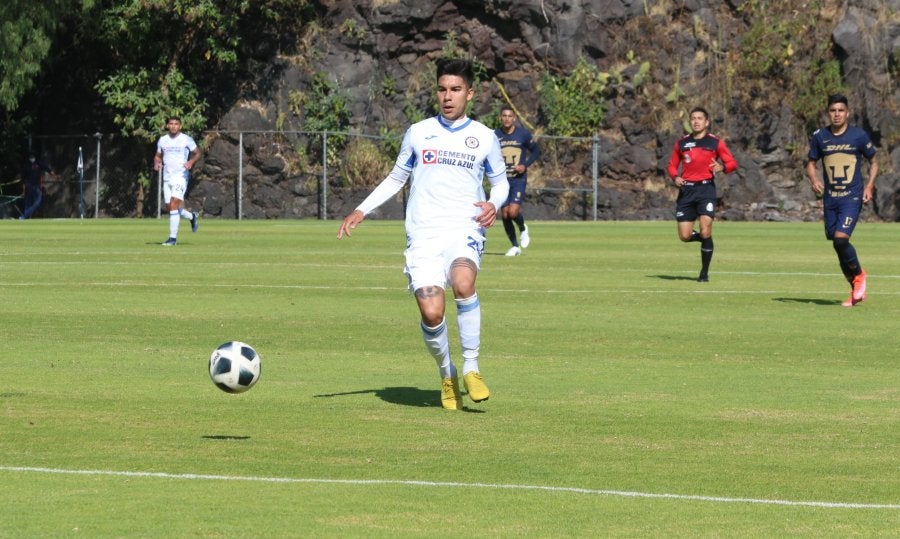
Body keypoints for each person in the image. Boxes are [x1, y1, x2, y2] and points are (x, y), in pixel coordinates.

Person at [337, 58, 509, 410]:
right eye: (443, 89)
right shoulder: (418, 132)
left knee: (463, 283)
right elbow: (397, 177)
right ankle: (447, 375)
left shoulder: (484, 137)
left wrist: (493, 202)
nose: (448, 96)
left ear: (470, 94)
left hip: (465, 227)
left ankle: (472, 367)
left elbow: (501, 182)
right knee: (432, 312)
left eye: (456, 90)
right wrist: (361, 209)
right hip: (424, 234)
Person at [805, 94, 878, 307]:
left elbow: (874, 161)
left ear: (847, 112)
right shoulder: (820, 136)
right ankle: (855, 289)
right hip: (831, 199)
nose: (836, 114)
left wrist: (870, 185)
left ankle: (860, 276)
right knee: (836, 243)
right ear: (828, 113)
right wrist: (814, 179)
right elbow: (810, 162)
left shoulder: (858, 136)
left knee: (840, 239)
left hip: (851, 197)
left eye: (840, 110)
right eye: (833, 110)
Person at [666, 107, 738, 282]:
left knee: (705, 230)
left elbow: (732, 163)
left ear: (706, 122)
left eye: (700, 118)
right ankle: (707, 240)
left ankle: (704, 273)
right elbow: (671, 166)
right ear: (690, 122)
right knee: (684, 236)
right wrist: (675, 177)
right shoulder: (681, 144)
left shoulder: (715, 142)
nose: (696, 121)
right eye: (693, 118)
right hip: (686, 192)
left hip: (706, 190)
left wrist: (722, 167)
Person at [495, 105, 540, 256]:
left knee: (513, 212)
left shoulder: (523, 134)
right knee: (505, 214)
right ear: (500, 118)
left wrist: (525, 165)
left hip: (518, 180)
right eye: (504, 116)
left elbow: (536, 151)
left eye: (510, 116)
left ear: (514, 118)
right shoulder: (495, 135)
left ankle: (522, 228)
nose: (507, 119)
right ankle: (515, 246)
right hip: (502, 181)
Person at [153, 116, 200, 245]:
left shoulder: (186, 139)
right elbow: (158, 156)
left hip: (180, 176)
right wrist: (157, 163)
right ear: (167, 125)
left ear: (180, 126)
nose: (173, 126)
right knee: (169, 207)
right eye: (171, 124)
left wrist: (191, 161)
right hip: (167, 177)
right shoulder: (163, 140)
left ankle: (172, 239)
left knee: (174, 205)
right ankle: (192, 217)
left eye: (176, 124)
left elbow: (197, 153)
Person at [19, 153, 53, 220]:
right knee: (36, 203)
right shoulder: (28, 166)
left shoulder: (37, 164)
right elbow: (23, 180)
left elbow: (48, 169)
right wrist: (23, 191)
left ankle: (24, 217)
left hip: (31, 187)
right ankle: (25, 216)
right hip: (32, 187)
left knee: (30, 204)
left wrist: (55, 175)